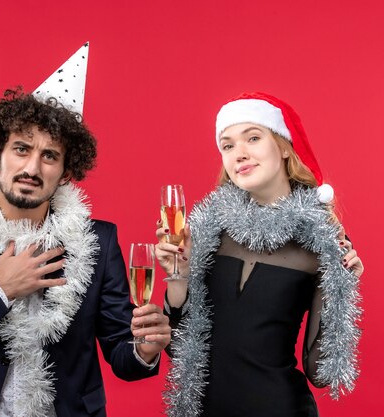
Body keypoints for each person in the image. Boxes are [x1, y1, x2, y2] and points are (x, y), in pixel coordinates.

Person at [0, 43, 171, 417]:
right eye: (21, 149)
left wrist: (143, 351)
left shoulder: (99, 241)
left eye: (49, 155)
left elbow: (120, 352)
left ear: (65, 172)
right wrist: (1, 290)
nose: (32, 167)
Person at [156, 92, 363, 417]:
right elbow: (180, 351)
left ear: (283, 147)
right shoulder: (208, 231)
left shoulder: (322, 239)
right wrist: (179, 276)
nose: (239, 154)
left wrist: (342, 288)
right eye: (228, 145)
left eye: (253, 137)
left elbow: (321, 372)